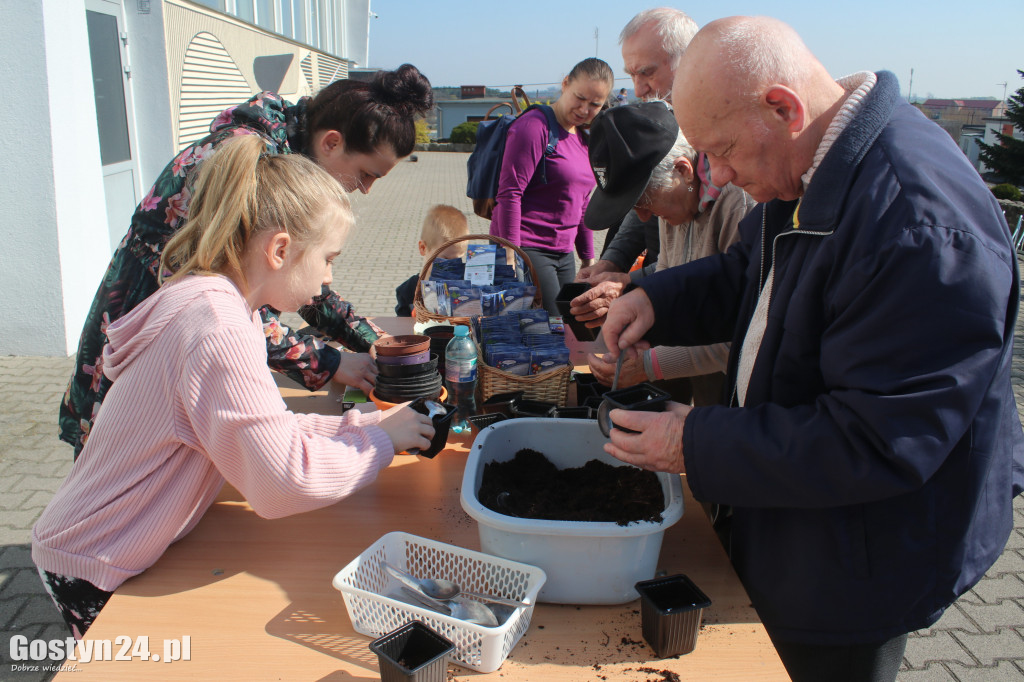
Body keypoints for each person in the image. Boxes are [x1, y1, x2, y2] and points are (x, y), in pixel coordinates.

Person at [599, 16, 1024, 681]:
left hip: (860, 560)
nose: (721, 175)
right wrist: (658, 299)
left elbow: (879, 439)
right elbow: (751, 274)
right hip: (800, 516)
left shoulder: (916, 221)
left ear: (783, 107)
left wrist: (696, 444)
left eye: (724, 150)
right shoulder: (809, 165)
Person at [32, 136, 435, 639]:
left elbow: (270, 428)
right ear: (281, 249)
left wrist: (365, 423)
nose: (328, 277)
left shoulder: (218, 301)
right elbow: (280, 481)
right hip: (94, 560)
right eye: (328, 258)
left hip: (105, 540)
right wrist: (378, 441)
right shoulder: (217, 327)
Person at [60, 64, 435, 457]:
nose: (367, 191)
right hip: (140, 348)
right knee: (122, 472)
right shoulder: (246, 166)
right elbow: (229, 310)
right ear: (331, 143)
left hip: (174, 351)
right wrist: (326, 360)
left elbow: (298, 277)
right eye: (364, 175)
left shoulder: (283, 150)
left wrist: (374, 343)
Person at [572, 101, 753, 406]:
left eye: (646, 203)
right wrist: (627, 291)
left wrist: (648, 365)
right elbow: (667, 278)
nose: (644, 218)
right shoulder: (677, 202)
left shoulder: (739, 205)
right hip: (687, 354)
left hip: (737, 383)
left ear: (682, 170)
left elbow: (740, 332)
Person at [579, 7, 699, 284]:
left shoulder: (719, 136)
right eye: (632, 75)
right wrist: (612, 261)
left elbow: (716, 263)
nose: (639, 89)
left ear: (689, 62)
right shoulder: (661, 121)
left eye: (647, 73)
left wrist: (632, 282)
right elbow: (642, 198)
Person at [488, 58, 613, 315]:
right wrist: (512, 255)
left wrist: (587, 257)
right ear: (565, 84)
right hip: (528, 245)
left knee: (571, 321)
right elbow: (510, 193)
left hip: (564, 252)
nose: (584, 109)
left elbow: (581, 203)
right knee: (553, 324)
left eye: (594, 104)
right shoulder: (534, 127)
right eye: (580, 97)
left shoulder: (584, 139)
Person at [395, 204, 470, 316]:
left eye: (458, 259)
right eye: (445, 259)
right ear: (423, 248)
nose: (451, 266)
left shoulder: (466, 285)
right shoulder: (408, 290)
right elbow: (401, 325)